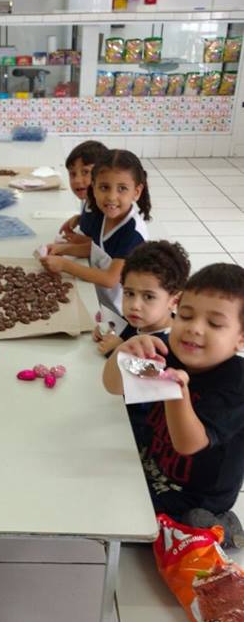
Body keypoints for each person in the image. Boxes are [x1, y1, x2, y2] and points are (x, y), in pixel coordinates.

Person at [103, 262, 244, 548]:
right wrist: (121, 354)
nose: (194, 328)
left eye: (214, 324)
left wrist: (175, 391)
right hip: (155, 462)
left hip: (196, 493)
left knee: (149, 528)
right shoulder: (169, 350)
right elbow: (114, 386)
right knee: (107, 490)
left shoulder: (236, 383)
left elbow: (188, 443)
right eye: (186, 315)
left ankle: (221, 526)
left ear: (240, 339)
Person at [42, 149, 151, 317]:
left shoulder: (132, 233)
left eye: (122, 188)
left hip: (123, 314)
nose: (111, 197)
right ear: (93, 188)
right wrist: (62, 249)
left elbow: (110, 279)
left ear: (136, 192)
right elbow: (97, 250)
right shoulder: (104, 214)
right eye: (104, 187)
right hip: (100, 299)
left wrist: (64, 265)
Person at [94, 240, 190, 357]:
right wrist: (107, 330)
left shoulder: (168, 349)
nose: (134, 305)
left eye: (148, 296)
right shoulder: (138, 319)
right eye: (129, 293)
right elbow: (122, 330)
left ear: (175, 301)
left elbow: (140, 366)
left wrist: (117, 351)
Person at [47, 140, 109, 256]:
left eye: (85, 172)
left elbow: (101, 247)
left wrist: (66, 248)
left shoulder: (105, 210)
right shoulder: (90, 200)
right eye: (73, 174)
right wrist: (79, 218)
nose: (77, 180)